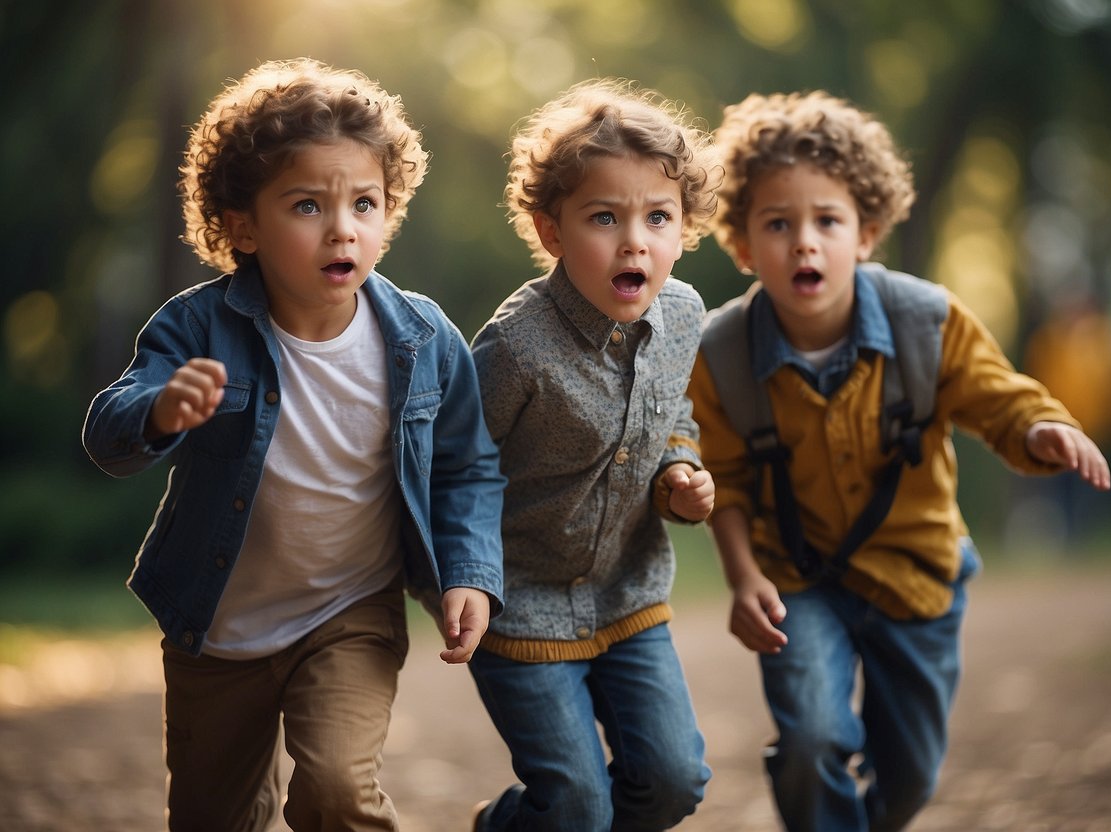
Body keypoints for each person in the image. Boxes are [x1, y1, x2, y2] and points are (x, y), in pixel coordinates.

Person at [81, 58, 505, 832]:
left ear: (389, 211)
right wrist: (161, 411)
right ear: (242, 225)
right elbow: (110, 429)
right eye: (308, 204)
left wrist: (469, 573)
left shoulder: (422, 338)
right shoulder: (196, 326)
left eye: (365, 203)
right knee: (213, 816)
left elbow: (467, 466)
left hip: (351, 610)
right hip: (217, 625)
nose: (343, 227)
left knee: (339, 794)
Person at [686, 90, 1111, 832]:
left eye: (827, 221)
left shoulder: (927, 321)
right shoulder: (721, 354)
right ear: (744, 245)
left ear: (867, 231)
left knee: (909, 777)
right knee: (811, 738)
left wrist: (1041, 428)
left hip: (916, 577)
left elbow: (1000, 396)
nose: (803, 244)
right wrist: (742, 576)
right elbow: (721, 479)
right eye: (777, 225)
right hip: (796, 582)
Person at [467, 77, 719, 831]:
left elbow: (672, 407)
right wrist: (458, 579)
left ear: (683, 229)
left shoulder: (682, 314)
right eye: (604, 217)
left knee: (674, 782)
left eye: (657, 217)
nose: (634, 240)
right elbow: (455, 463)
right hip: (520, 606)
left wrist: (680, 467)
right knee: (576, 809)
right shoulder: (515, 346)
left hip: (629, 594)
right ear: (551, 230)